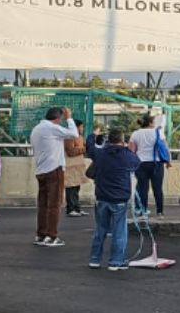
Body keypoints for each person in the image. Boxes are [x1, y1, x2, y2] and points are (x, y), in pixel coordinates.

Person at [88, 129, 142, 272]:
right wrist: (129, 150)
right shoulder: (127, 156)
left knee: (100, 229)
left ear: (108, 140)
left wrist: (93, 135)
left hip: (101, 196)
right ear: (122, 140)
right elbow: (137, 163)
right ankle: (116, 261)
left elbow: (90, 147)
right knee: (119, 231)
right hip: (119, 197)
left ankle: (95, 259)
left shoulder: (100, 154)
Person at [30, 106, 80, 247]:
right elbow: (74, 134)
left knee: (43, 204)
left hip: (41, 170)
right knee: (54, 204)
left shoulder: (37, 129)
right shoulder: (53, 128)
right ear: (58, 118)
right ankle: (52, 236)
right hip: (54, 169)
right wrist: (69, 117)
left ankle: (41, 234)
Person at [128, 115, 167, 218]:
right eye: (154, 121)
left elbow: (132, 150)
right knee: (157, 188)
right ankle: (160, 212)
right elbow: (164, 147)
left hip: (141, 163)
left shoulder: (135, 134)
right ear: (150, 123)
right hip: (156, 163)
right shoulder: (158, 132)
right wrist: (168, 161)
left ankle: (142, 210)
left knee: (142, 188)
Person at [64, 119, 89, 218]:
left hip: (78, 165)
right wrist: (82, 149)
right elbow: (70, 152)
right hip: (70, 165)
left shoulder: (80, 137)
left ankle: (77, 208)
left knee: (77, 187)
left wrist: (82, 148)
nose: (82, 129)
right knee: (70, 187)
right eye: (81, 126)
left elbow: (84, 148)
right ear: (76, 127)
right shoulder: (69, 137)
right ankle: (70, 209)